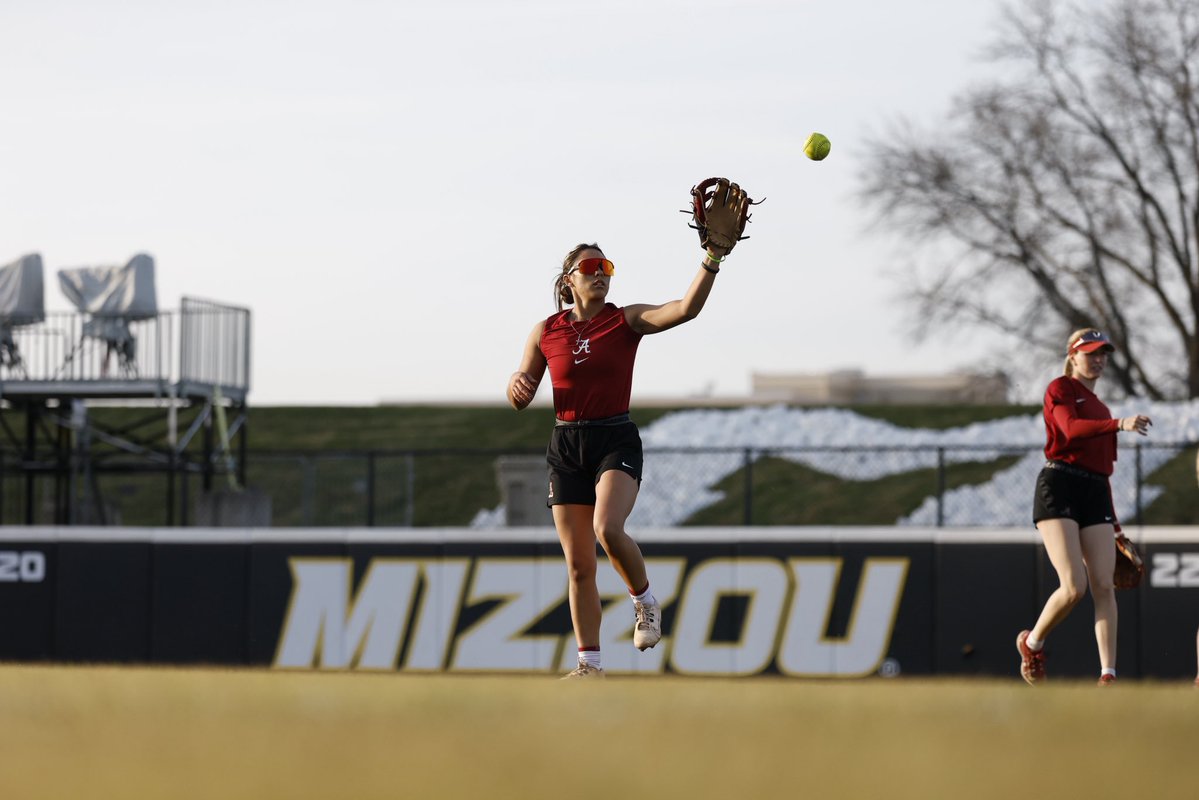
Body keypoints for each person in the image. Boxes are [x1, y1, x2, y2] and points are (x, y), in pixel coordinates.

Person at [506, 194, 746, 678]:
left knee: (607, 530)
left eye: (606, 265)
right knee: (579, 567)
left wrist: (712, 258)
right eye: (590, 266)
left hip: (614, 438)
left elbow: (684, 309)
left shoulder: (625, 319)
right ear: (568, 281)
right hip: (566, 445)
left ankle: (644, 602)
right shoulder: (545, 330)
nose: (600, 272)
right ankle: (589, 665)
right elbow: (521, 390)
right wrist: (517, 386)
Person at [1016, 328, 1152, 687]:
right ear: (1073, 356)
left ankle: (1108, 674)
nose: (1098, 360)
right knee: (1073, 586)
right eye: (1090, 353)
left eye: (1103, 354)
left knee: (1104, 586)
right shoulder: (1060, 389)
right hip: (1059, 485)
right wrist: (1119, 424)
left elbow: (1103, 473)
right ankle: (1032, 644)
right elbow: (1070, 429)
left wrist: (1117, 526)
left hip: (1094, 492)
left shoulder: (1101, 408)